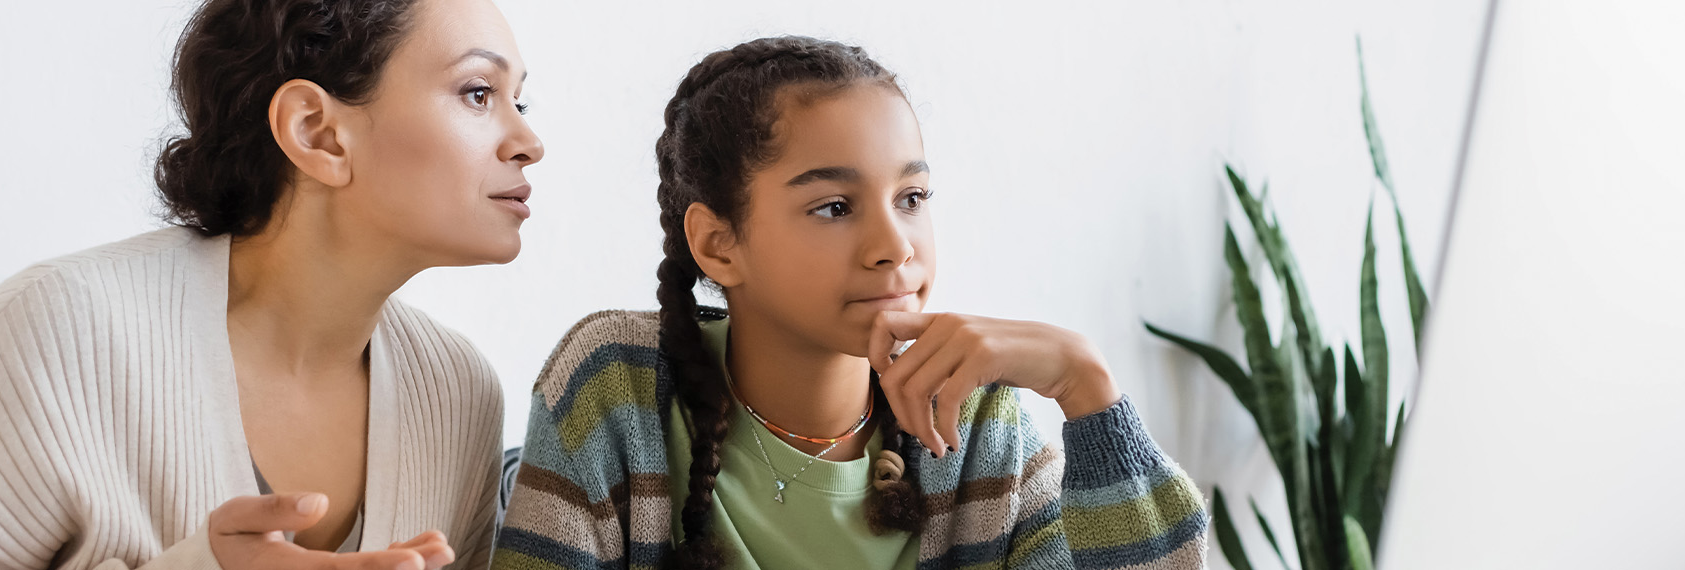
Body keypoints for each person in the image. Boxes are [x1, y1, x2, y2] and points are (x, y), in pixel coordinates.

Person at [494, 36, 1208, 570]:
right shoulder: (616, 393)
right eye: (835, 206)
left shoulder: (983, 431)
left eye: (912, 199)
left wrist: (1085, 384)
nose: (894, 245)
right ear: (718, 244)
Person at [0, 0, 542, 567]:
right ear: (316, 132)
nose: (529, 142)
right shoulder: (58, 334)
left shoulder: (461, 396)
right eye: (479, 92)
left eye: (522, 101)